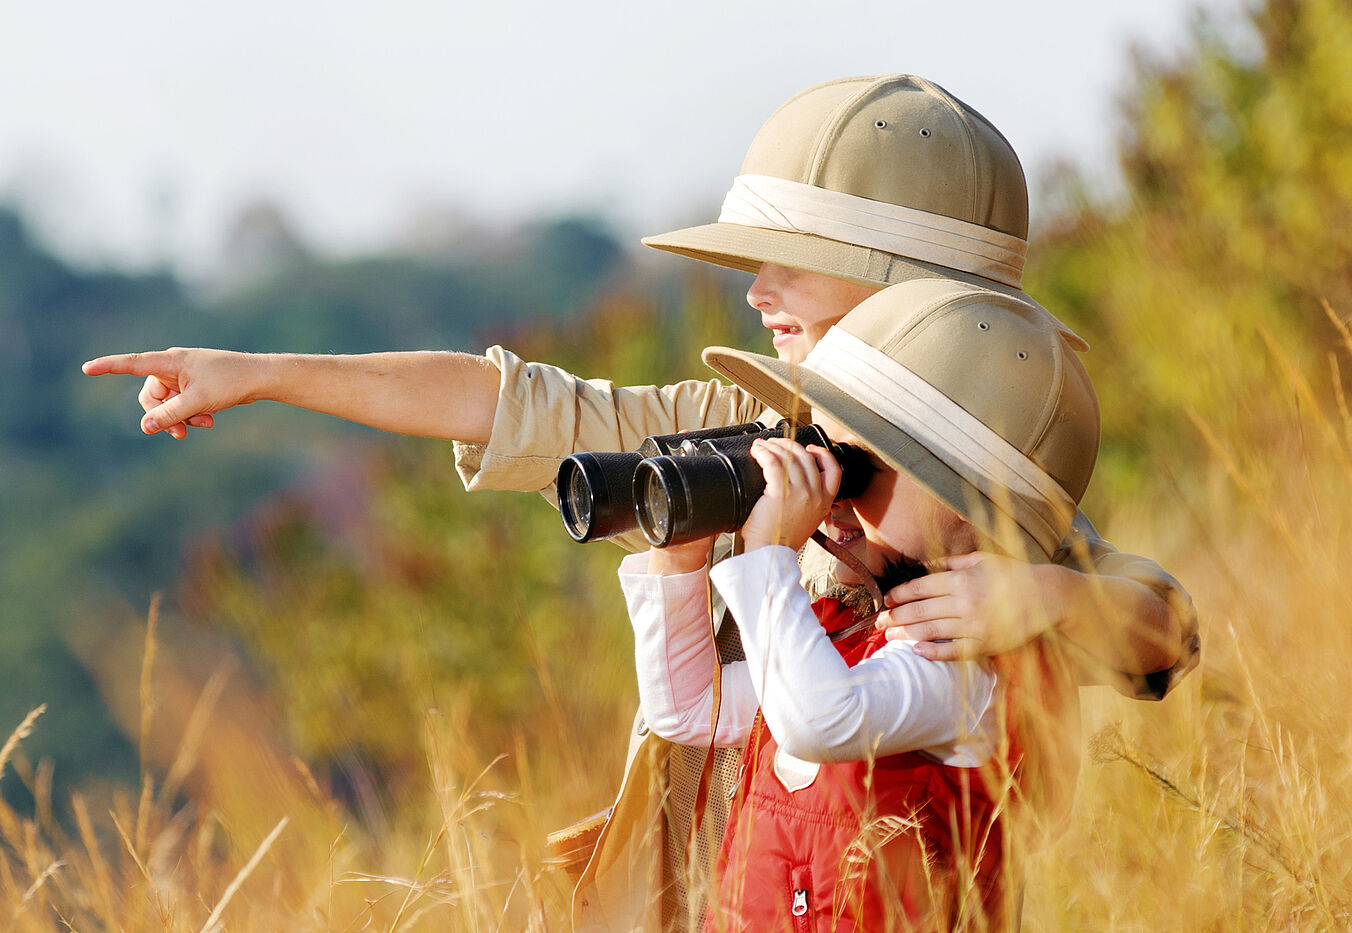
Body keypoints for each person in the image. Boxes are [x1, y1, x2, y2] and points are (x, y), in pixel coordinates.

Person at [82, 74, 1198, 930]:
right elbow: (513, 404)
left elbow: (1162, 629)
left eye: (793, 261)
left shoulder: (975, 484)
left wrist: (1048, 597)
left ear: (908, 287)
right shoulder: (746, 419)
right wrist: (265, 373)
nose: (756, 290)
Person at [622, 277, 1096, 930]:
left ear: (971, 502)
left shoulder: (962, 664)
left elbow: (819, 720)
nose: (834, 495)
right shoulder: (843, 634)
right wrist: (679, 556)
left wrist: (769, 555)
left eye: (858, 467)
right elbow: (686, 707)